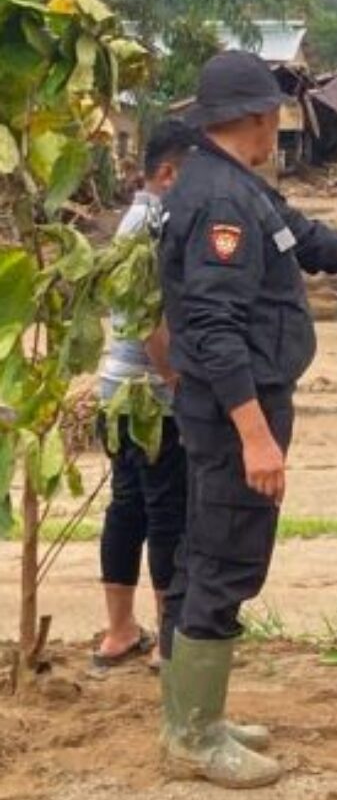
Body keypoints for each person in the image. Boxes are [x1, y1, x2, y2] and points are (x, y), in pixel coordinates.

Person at [157, 51, 337, 788]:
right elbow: (211, 326)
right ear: (254, 116)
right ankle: (193, 737)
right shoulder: (218, 202)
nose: (281, 121)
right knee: (224, 558)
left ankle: (190, 715)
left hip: (231, 403)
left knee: (202, 553)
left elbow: (302, 238)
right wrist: (254, 433)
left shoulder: (236, 186)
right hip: (231, 408)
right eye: (275, 110)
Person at [94, 121, 194, 670]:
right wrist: (175, 379)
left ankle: (119, 632)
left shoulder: (129, 220)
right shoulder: (152, 221)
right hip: (150, 395)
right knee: (166, 512)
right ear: (167, 173)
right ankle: (166, 639)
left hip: (115, 389)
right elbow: (147, 316)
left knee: (127, 506)